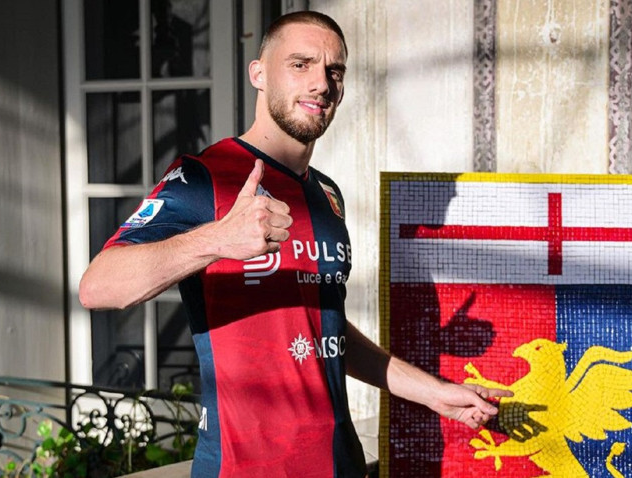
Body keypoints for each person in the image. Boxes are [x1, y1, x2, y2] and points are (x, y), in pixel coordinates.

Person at [79, 10, 511, 478]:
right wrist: (218, 239)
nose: (321, 84)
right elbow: (98, 287)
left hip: (341, 463)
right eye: (300, 65)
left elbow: (325, 331)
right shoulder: (207, 176)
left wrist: (434, 393)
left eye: (334, 71)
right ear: (259, 74)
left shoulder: (327, 194)